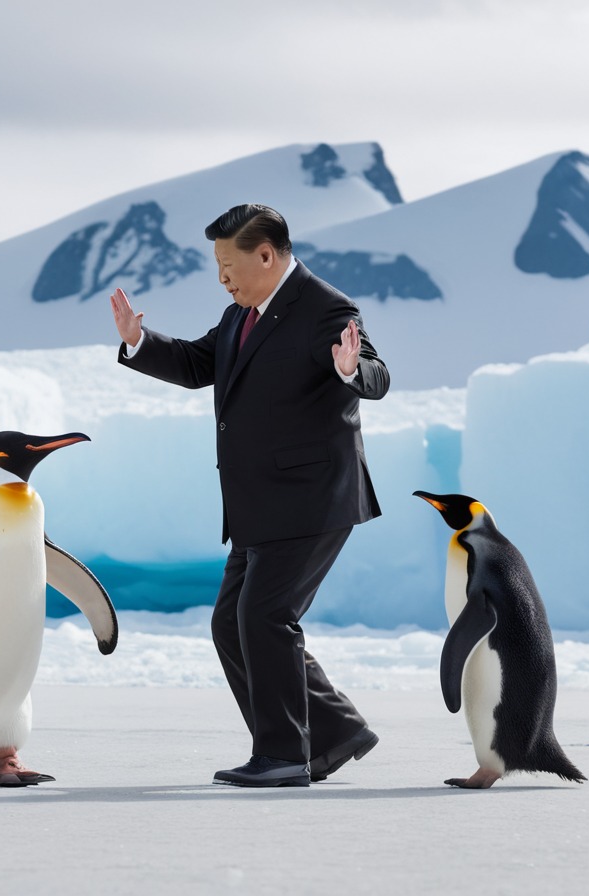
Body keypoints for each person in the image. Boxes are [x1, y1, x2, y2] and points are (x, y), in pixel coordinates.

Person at [109, 203, 390, 787]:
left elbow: (375, 372)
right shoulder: (241, 315)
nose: (222, 277)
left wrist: (347, 371)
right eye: (217, 266)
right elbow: (196, 364)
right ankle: (335, 730)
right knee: (230, 624)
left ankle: (286, 754)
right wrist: (140, 341)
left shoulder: (326, 309)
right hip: (259, 503)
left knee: (264, 617)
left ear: (267, 255)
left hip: (312, 497)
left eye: (228, 264)